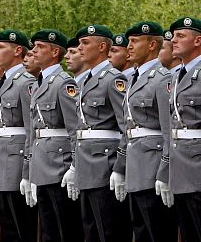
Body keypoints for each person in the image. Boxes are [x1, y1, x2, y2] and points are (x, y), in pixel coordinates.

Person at [72, 25, 129, 242]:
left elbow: (126, 125)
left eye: (86, 43)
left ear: (102, 46)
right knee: (90, 231)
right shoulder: (86, 80)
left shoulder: (113, 79)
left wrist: (121, 167)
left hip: (105, 164)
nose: (80, 48)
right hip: (86, 165)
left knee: (109, 230)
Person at [123, 22, 176, 242]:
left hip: (153, 166)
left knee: (157, 231)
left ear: (152, 44)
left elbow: (168, 130)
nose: (129, 47)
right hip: (135, 166)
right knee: (141, 230)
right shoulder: (133, 78)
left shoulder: (162, 79)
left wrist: (164, 171)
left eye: (135, 41)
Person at [29, 29, 82, 242]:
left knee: (65, 229)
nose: (34, 51)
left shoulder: (63, 83)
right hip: (42, 164)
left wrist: (74, 166)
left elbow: (75, 128)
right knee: (49, 230)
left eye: (40, 47)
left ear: (54, 52)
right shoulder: (37, 84)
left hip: (60, 165)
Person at [0, 30, 37, 242]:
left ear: (18, 51)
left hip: (16, 162)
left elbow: (31, 129)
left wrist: (27, 170)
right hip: (1, 161)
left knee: (20, 226)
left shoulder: (26, 82)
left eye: (0, 48)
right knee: (7, 225)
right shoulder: (1, 83)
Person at [168, 16, 201, 242]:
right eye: (173, 36)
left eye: (181, 36)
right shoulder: (176, 75)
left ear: (198, 40)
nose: (173, 40)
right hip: (180, 165)